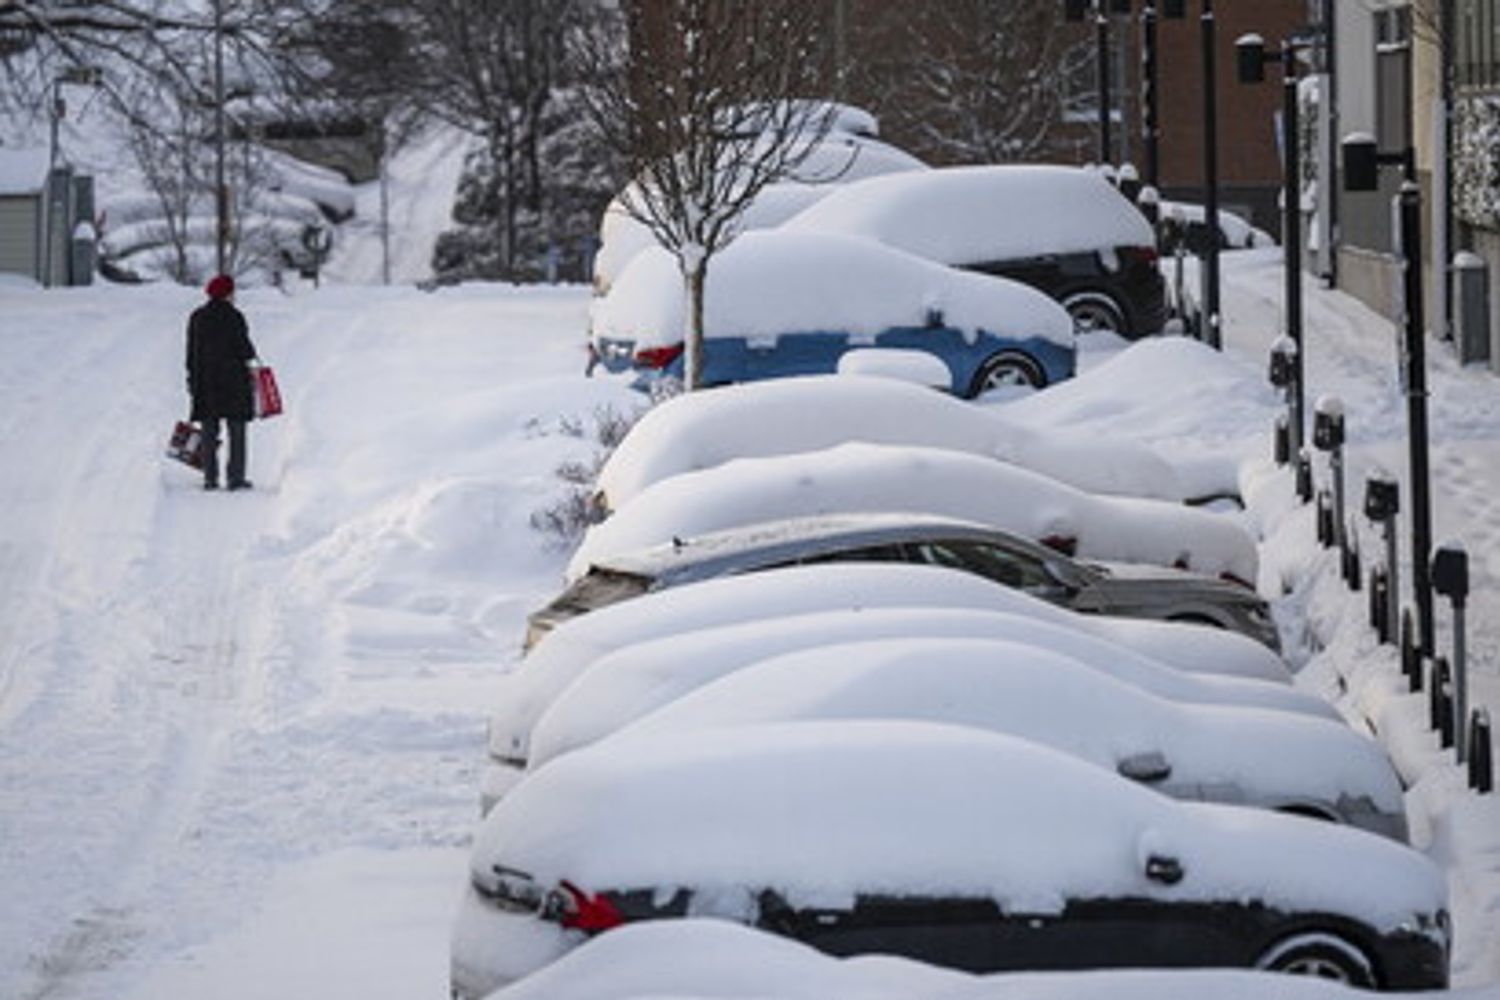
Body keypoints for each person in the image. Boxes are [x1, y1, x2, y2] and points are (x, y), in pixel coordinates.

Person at [186, 273, 258, 491]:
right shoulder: (235, 317)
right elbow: (246, 349)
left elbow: (191, 353)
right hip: (234, 381)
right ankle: (235, 478)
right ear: (227, 293)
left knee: (209, 431)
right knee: (237, 431)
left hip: (206, 381)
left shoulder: (197, 317)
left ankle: (210, 478)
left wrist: (191, 378)